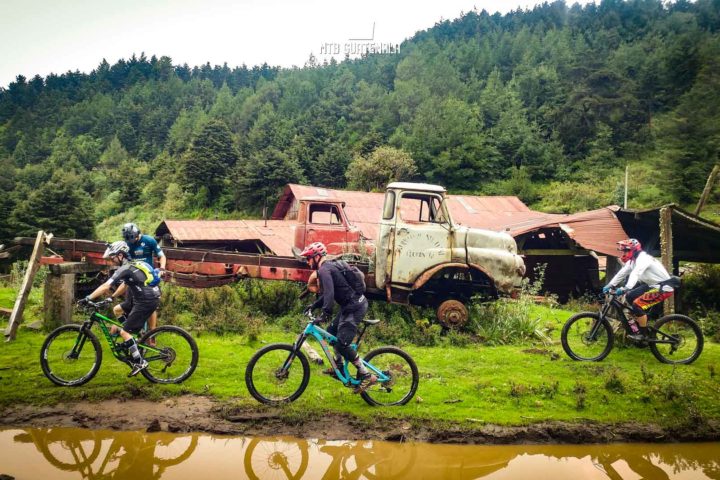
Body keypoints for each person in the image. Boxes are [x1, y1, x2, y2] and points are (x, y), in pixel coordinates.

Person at [300, 241, 375, 393]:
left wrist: (325, 313)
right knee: (331, 333)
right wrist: (314, 306)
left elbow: (330, 294)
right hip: (349, 306)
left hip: (355, 307)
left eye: (308, 258)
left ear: (316, 257)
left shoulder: (324, 270)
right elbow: (329, 292)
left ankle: (366, 375)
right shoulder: (329, 267)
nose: (307, 262)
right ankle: (338, 366)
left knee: (341, 344)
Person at [82, 241, 162, 376]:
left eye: (112, 257)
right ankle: (134, 339)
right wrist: (112, 297)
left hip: (145, 300)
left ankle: (139, 361)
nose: (112, 261)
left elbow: (105, 286)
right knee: (117, 310)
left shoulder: (124, 268)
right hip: (146, 297)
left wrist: (88, 298)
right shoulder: (132, 265)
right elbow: (125, 285)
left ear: (120, 255)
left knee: (124, 333)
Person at [603, 238, 674, 341]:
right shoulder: (633, 261)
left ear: (634, 250)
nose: (624, 253)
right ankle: (641, 321)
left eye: (626, 250)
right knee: (629, 296)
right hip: (652, 285)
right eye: (623, 251)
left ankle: (643, 335)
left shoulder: (643, 259)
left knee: (637, 304)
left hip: (663, 288)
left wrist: (626, 288)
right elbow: (622, 273)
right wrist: (609, 285)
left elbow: (636, 273)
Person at [121, 223, 166, 333]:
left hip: (149, 278)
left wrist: (162, 269)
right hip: (134, 279)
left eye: (132, 238)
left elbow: (162, 256)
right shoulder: (127, 244)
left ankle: (152, 332)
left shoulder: (149, 240)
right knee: (130, 304)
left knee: (151, 307)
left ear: (137, 234)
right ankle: (132, 331)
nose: (131, 241)